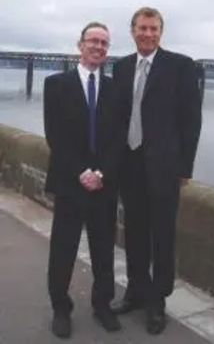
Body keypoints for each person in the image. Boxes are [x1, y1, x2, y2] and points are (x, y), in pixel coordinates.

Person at [112, 7, 202, 335]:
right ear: (132, 30)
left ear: (161, 31)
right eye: (142, 28)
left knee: (162, 236)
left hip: (163, 166)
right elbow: (117, 116)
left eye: (153, 28)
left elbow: (191, 120)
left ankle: (157, 302)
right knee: (133, 232)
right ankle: (135, 291)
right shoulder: (121, 67)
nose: (147, 34)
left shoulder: (180, 66)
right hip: (129, 164)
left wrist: (185, 166)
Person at [43, 22, 121, 339]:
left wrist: (101, 172)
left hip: (104, 185)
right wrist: (81, 172)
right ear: (80, 44)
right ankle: (61, 309)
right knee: (63, 249)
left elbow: (117, 139)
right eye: (93, 41)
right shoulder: (56, 84)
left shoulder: (116, 89)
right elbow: (55, 136)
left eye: (104, 43)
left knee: (104, 250)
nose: (99, 47)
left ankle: (102, 305)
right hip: (69, 181)